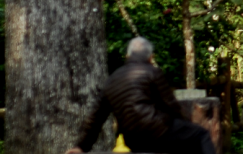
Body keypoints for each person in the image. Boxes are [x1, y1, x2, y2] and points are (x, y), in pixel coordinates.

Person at [65, 37, 216, 154]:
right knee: (200, 135)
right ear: (151, 57)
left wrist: (81, 147)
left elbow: (96, 119)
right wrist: (186, 124)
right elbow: (171, 106)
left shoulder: (111, 81)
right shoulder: (152, 72)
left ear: (127, 56)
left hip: (134, 140)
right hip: (158, 131)